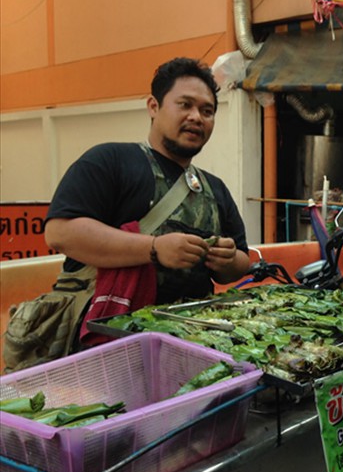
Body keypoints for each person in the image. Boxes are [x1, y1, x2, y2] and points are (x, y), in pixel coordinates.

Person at [45, 57, 251, 309]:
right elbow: (60, 233)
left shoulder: (214, 188)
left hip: (191, 334)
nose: (196, 117)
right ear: (154, 106)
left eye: (207, 111)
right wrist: (153, 248)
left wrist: (228, 260)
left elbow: (242, 260)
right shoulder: (109, 161)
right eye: (185, 105)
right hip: (109, 333)